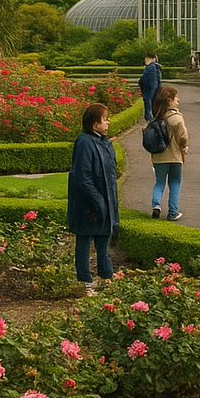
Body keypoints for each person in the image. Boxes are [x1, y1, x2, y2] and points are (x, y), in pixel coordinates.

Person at [67, 102, 119, 296]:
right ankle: (86, 282)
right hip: (88, 202)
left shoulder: (104, 142)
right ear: (94, 123)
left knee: (103, 241)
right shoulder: (85, 142)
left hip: (104, 199)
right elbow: (82, 175)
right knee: (84, 240)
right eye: (105, 119)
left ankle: (107, 279)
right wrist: (97, 200)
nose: (108, 122)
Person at [150, 85, 188, 221]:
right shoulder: (176, 118)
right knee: (175, 183)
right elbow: (183, 138)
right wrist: (184, 150)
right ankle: (173, 212)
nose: (178, 100)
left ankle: (156, 205)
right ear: (169, 100)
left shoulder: (156, 118)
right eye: (176, 98)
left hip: (159, 156)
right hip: (175, 156)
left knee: (159, 182)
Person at [138, 53, 162, 122]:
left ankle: (150, 121)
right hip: (150, 89)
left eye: (147, 58)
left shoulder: (151, 67)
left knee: (148, 107)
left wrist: (151, 91)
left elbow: (151, 80)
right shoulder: (155, 67)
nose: (146, 60)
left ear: (152, 59)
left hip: (149, 90)